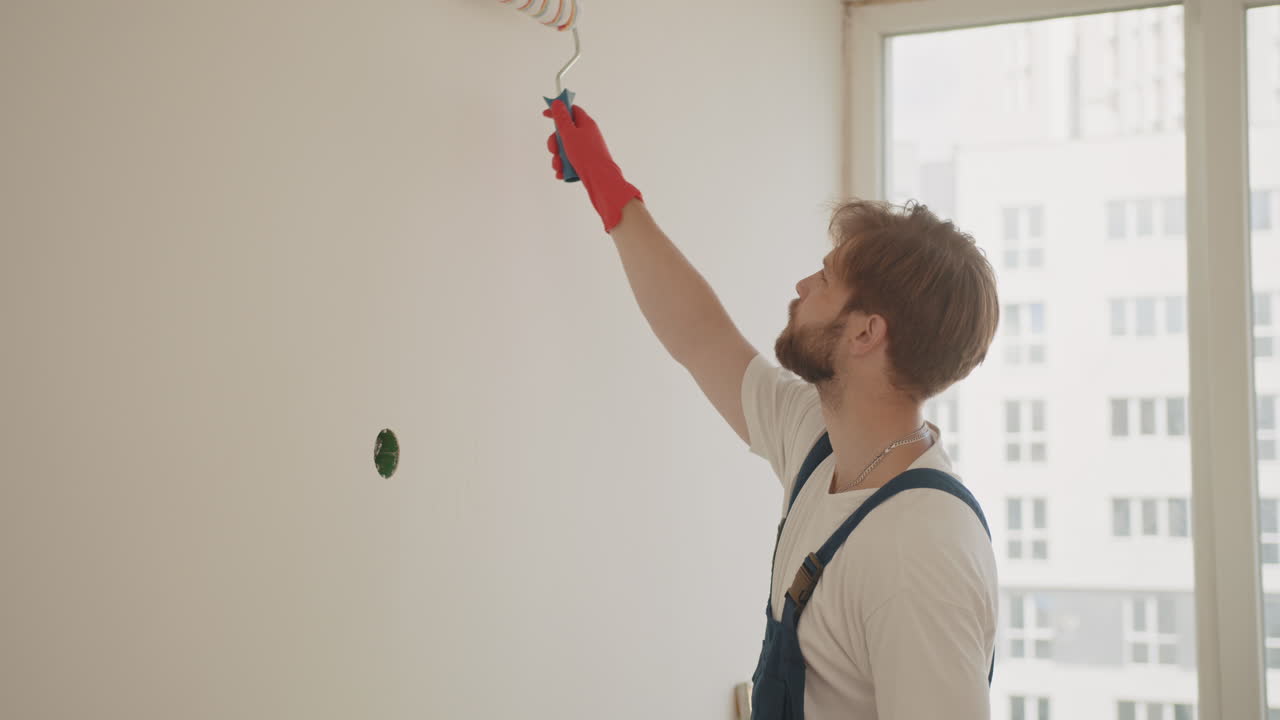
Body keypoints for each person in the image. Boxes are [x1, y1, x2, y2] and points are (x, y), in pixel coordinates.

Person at [542, 100, 1001, 720]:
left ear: (866, 334)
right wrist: (610, 190)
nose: (801, 287)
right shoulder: (823, 442)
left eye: (826, 279)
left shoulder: (920, 552)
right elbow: (701, 336)